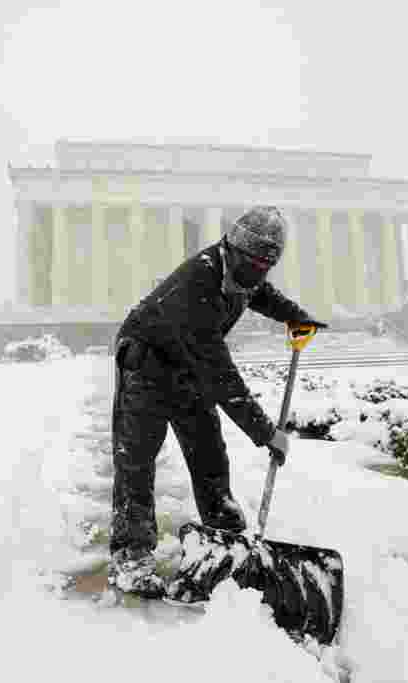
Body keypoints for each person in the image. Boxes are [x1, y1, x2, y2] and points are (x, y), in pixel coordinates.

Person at [108, 205, 328, 596]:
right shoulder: (197, 284)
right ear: (233, 248)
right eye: (253, 263)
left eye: (265, 265)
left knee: (209, 455)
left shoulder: (245, 275)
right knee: (137, 462)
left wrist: (296, 316)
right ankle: (132, 557)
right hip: (147, 364)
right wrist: (266, 433)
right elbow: (221, 375)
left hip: (187, 366)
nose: (258, 273)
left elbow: (262, 295)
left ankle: (226, 536)